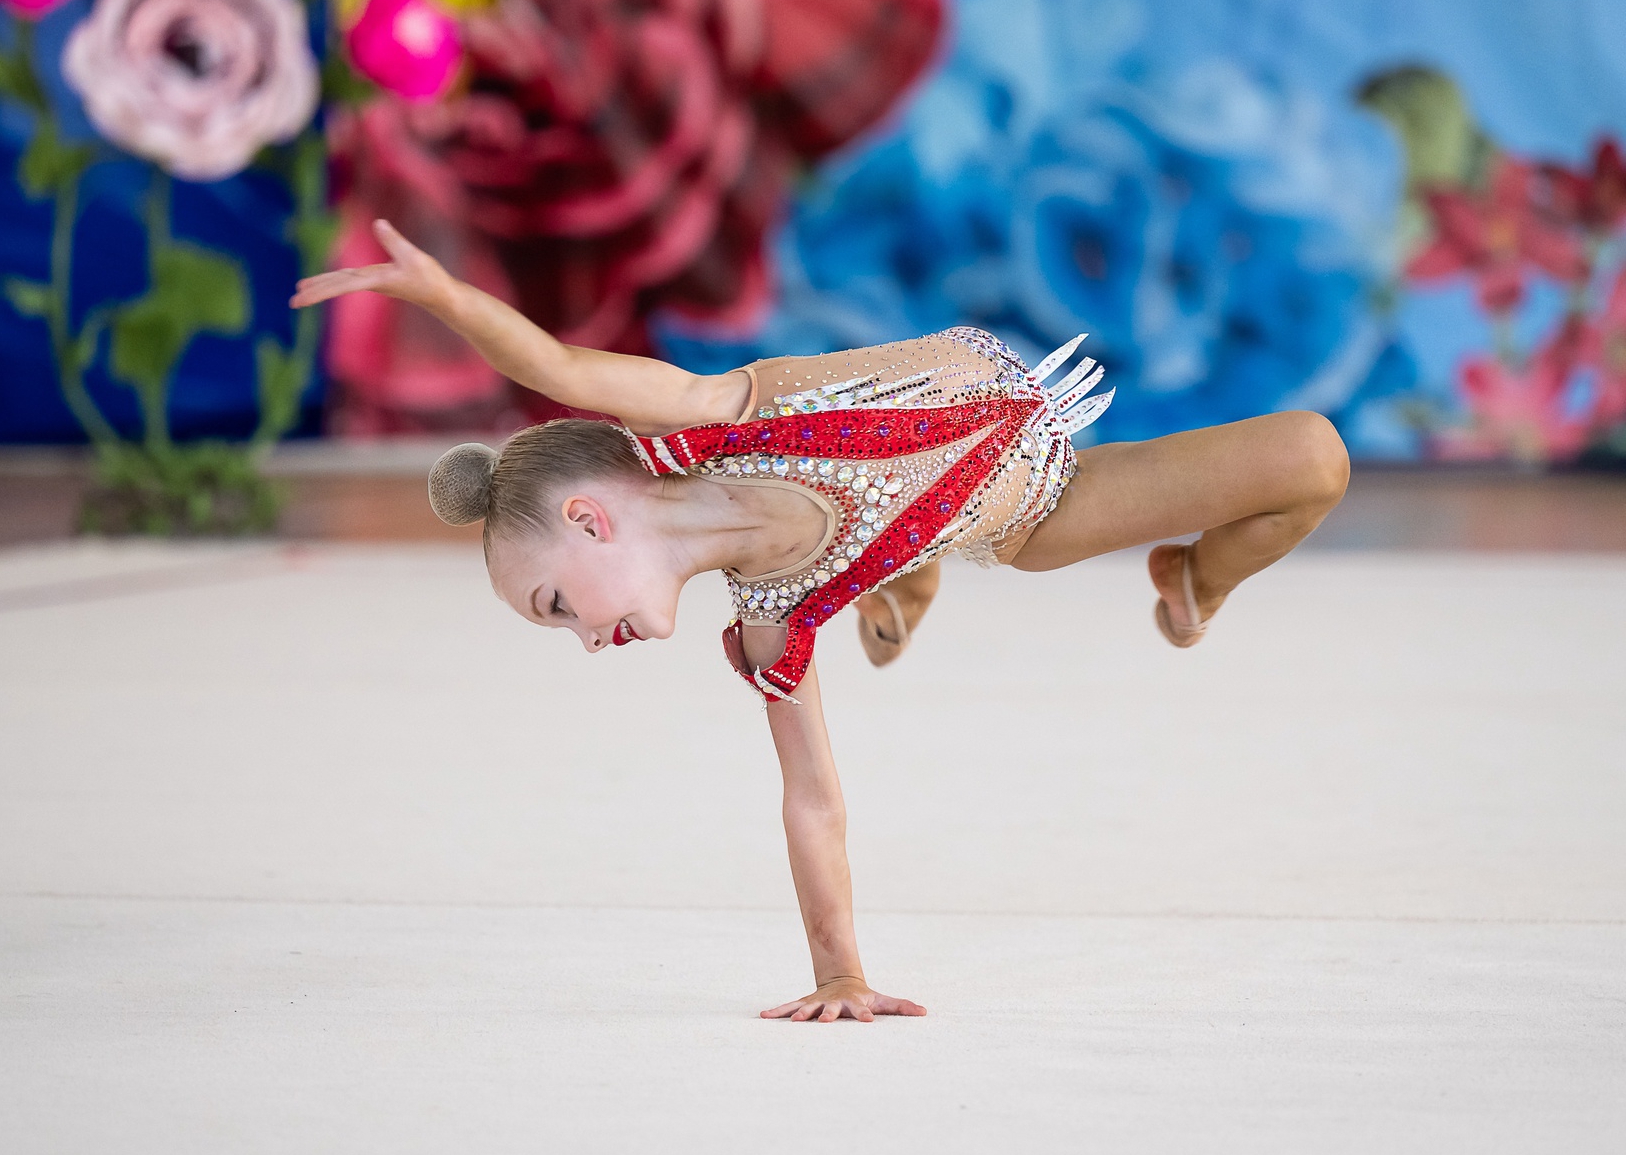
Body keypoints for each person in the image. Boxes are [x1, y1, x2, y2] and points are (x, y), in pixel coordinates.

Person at [292, 220, 1351, 1023]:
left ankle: (1192, 580)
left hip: (1034, 441)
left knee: (1313, 460)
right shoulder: (773, 626)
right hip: (1037, 510)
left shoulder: (727, 411)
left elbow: (562, 373)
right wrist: (840, 974)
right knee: (1308, 462)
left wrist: (447, 300)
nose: (583, 638)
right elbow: (813, 800)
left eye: (558, 605)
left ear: (590, 516)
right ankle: (912, 575)